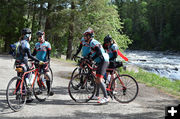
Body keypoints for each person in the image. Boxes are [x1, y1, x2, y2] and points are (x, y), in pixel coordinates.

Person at [84, 28, 110, 104]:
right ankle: (97, 95)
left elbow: (99, 53)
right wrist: (86, 58)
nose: (84, 38)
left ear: (89, 36)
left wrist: (91, 59)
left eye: (86, 36)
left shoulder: (93, 42)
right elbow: (91, 53)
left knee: (99, 79)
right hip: (101, 61)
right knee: (96, 79)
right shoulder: (91, 43)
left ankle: (106, 97)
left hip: (103, 60)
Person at [15, 28, 41, 102]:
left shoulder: (19, 42)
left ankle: (17, 91)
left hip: (17, 64)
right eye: (30, 35)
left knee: (19, 77)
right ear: (27, 36)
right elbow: (29, 55)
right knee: (27, 76)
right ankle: (25, 96)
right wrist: (38, 60)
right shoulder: (26, 43)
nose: (31, 37)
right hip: (23, 64)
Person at [32, 30, 54, 96]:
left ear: (43, 36)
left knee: (47, 75)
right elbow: (33, 53)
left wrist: (47, 61)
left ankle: (49, 90)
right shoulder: (36, 44)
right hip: (38, 62)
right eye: (39, 37)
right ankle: (40, 89)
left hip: (44, 62)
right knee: (38, 76)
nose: (40, 38)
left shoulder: (47, 44)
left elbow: (49, 55)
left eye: (41, 36)